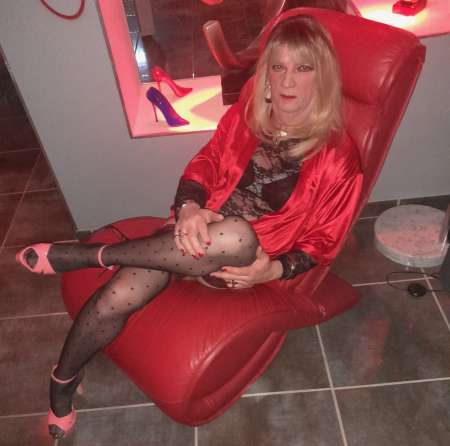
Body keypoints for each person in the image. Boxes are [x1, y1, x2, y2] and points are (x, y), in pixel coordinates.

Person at [16, 14, 362, 439]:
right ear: (267, 76)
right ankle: (62, 380)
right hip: (190, 238)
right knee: (119, 293)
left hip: (243, 262)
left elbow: (324, 240)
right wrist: (189, 207)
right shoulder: (248, 112)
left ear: (321, 77)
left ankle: (89, 255)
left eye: (303, 68)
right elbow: (208, 160)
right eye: (279, 66)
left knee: (237, 234)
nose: (289, 80)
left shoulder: (339, 156)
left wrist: (273, 270)